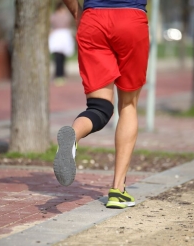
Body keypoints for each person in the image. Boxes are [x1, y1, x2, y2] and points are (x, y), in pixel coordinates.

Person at [54, 0, 149, 209]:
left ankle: (73, 135)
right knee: (128, 106)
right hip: (131, 19)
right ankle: (117, 190)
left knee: (99, 108)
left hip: (93, 20)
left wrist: (79, 14)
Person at [49, 2, 75, 86]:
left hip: (63, 37)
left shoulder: (65, 16)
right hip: (57, 37)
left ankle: (61, 74)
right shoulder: (55, 16)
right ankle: (58, 74)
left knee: (62, 58)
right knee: (58, 58)